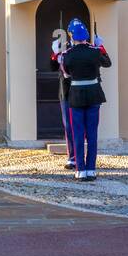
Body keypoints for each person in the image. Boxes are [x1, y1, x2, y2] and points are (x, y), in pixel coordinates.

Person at [63, 18, 112, 180]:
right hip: (94, 94)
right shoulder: (95, 51)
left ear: (72, 37)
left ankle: (81, 170)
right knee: (92, 133)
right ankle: (91, 169)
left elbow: (67, 74)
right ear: (86, 36)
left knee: (78, 133)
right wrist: (100, 47)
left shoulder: (67, 55)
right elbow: (107, 63)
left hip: (76, 95)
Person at [51, 37, 76, 169]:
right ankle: (72, 157)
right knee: (68, 126)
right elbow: (52, 67)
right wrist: (55, 54)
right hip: (64, 92)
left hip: (78, 92)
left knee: (79, 126)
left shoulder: (82, 48)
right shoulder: (62, 49)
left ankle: (81, 157)